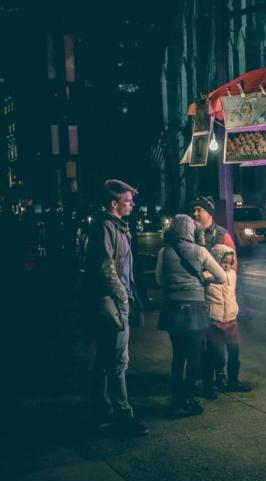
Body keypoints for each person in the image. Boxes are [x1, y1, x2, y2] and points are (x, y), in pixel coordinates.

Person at [84, 179, 148, 436]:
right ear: (114, 204)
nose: (132, 204)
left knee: (104, 358)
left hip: (112, 300)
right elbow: (106, 267)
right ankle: (123, 414)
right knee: (118, 361)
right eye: (128, 200)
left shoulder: (117, 227)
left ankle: (101, 410)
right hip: (111, 302)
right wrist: (123, 298)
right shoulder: (106, 227)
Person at [156, 214, 226, 415]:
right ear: (192, 231)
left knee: (178, 356)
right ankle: (187, 398)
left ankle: (176, 400)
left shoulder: (164, 251)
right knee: (195, 357)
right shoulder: (200, 251)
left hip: (172, 309)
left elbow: (160, 280)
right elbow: (221, 276)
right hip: (195, 309)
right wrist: (204, 277)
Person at [203, 245, 251, 392]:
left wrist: (237, 310)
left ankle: (233, 381)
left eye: (230, 262)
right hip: (214, 320)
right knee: (217, 354)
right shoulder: (206, 276)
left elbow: (233, 295)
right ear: (215, 260)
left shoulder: (232, 275)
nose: (227, 265)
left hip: (231, 319)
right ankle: (218, 378)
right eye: (224, 262)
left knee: (234, 353)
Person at [192, 196, 236, 262]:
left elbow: (232, 266)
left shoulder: (222, 235)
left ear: (210, 213)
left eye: (199, 210)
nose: (194, 214)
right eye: (194, 210)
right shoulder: (189, 232)